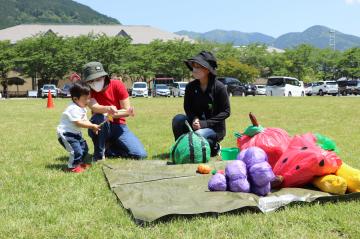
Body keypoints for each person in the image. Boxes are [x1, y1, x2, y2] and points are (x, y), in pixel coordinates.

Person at [83, 62, 147, 161]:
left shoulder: (117, 85)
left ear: (105, 77)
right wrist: (108, 109)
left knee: (140, 155)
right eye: (91, 81)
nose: (95, 82)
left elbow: (126, 111)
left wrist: (124, 112)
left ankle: (109, 149)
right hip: (99, 126)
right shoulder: (87, 90)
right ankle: (99, 154)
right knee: (99, 117)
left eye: (98, 79)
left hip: (119, 126)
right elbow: (94, 107)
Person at [172, 51, 230, 156]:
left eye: (198, 67)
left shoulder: (219, 87)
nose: (194, 69)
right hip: (195, 124)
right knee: (178, 119)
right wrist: (194, 118)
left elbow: (226, 112)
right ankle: (180, 149)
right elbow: (187, 107)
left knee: (198, 135)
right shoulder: (190, 87)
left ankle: (215, 147)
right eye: (194, 66)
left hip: (214, 128)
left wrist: (204, 124)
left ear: (207, 70)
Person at [57, 82, 101, 173]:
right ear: (75, 99)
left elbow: (85, 120)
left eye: (89, 98)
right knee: (76, 151)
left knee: (84, 149)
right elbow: (78, 122)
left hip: (76, 134)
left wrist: (92, 127)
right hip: (66, 134)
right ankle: (72, 167)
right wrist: (92, 125)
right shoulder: (73, 108)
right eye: (85, 99)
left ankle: (79, 164)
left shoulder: (82, 108)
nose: (88, 101)